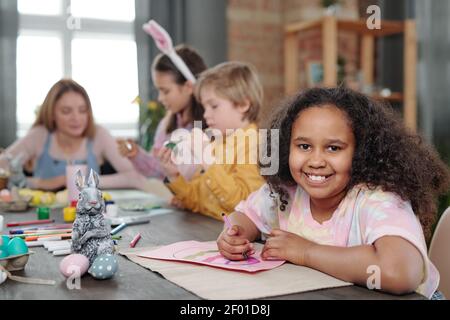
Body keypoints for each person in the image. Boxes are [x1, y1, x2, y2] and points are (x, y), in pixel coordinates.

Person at [217, 86, 450, 298]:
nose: (316, 161)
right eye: (304, 146)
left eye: (333, 148)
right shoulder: (285, 193)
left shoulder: (377, 200)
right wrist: (234, 235)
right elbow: (245, 216)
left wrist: (307, 252)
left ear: (361, 152)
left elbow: (398, 273)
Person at [157, 62, 266, 220]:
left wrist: (207, 159)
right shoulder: (217, 143)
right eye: (204, 107)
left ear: (243, 104)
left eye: (214, 106)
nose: (206, 115)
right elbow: (198, 201)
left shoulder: (257, 145)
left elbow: (242, 204)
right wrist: (173, 175)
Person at [0, 79, 147, 191]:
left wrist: (79, 182)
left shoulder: (99, 135)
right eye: (66, 111)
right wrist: (40, 183)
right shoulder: (39, 135)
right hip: (43, 220)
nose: (76, 118)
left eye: (82, 110)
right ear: (51, 114)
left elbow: (135, 177)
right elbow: (3, 169)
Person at [117, 45, 207, 179]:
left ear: (188, 87)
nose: (160, 98)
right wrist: (136, 155)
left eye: (165, 91)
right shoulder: (166, 126)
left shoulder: (210, 126)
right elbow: (159, 170)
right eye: (158, 91)